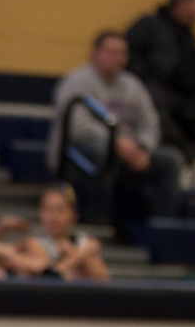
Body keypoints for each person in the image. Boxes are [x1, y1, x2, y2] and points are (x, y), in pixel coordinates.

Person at [47, 31, 184, 226]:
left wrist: (144, 148)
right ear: (95, 53)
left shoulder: (133, 85)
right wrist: (118, 142)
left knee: (171, 160)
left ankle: (162, 227)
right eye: (111, 51)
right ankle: (96, 217)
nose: (118, 57)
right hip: (81, 152)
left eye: (122, 53)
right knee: (101, 150)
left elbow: (150, 122)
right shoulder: (76, 82)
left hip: (129, 152)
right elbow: (78, 127)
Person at [127, 0, 195, 161]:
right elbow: (129, 59)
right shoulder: (149, 25)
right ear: (182, 4)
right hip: (151, 98)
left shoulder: (187, 37)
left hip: (177, 101)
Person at [20, 184, 110, 281]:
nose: (54, 217)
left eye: (60, 210)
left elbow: (102, 278)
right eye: (49, 209)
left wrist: (71, 251)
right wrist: (83, 254)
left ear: (73, 214)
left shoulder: (84, 242)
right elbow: (49, 275)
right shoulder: (34, 243)